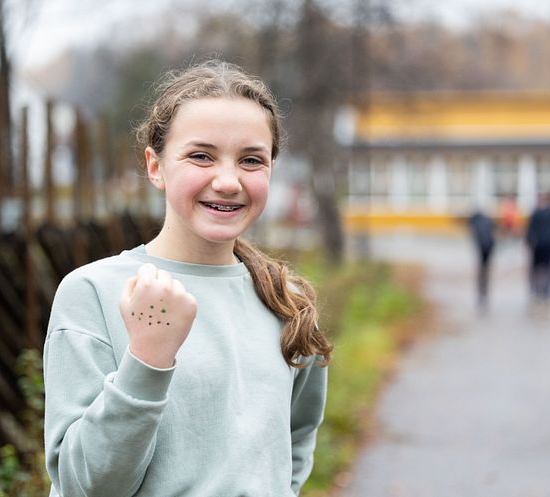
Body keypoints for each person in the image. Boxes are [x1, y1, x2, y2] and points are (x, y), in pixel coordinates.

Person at [43, 60, 333, 497]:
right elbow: (86, 486)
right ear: (155, 166)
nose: (229, 181)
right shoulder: (93, 294)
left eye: (251, 160)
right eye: (201, 156)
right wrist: (147, 359)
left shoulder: (286, 301)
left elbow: (292, 445)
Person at [525, 193, 550, 302]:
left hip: (547, 245)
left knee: (547, 267)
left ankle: (546, 289)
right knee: (538, 268)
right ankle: (537, 289)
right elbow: (530, 230)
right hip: (538, 245)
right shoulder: (537, 213)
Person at [467, 209, 495, 307]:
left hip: (483, 248)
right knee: (485, 267)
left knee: (481, 267)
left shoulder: (476, 224)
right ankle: (484, 284)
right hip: (490, 247)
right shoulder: (487, 221)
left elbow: (477, 239)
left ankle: (482, 284)